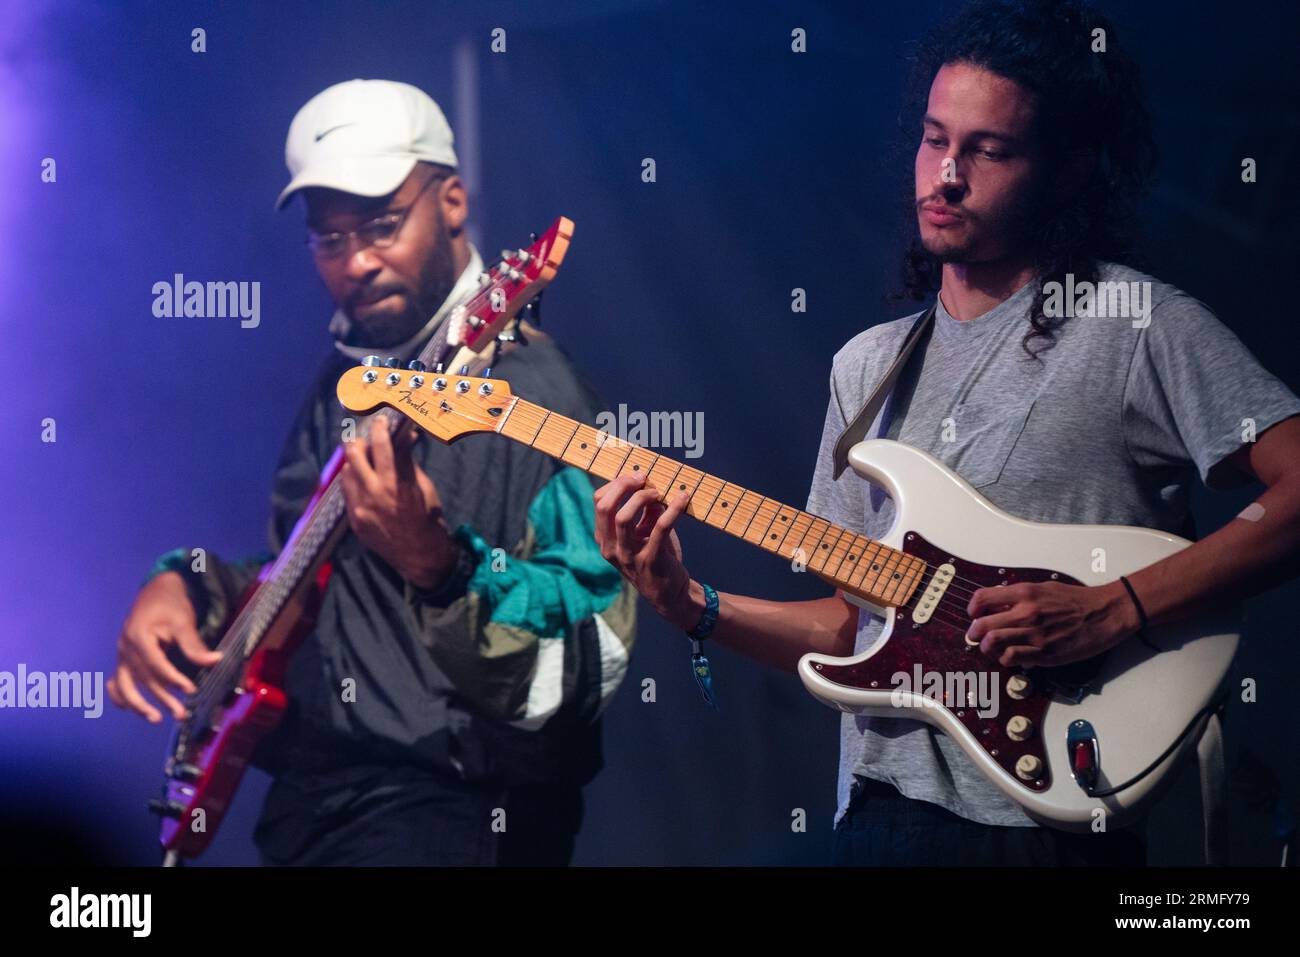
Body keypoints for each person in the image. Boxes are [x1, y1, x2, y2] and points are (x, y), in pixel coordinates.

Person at [592, 0, 1300, 866]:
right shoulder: (869, 366)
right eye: (935, 140)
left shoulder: (1137, 327)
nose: (947, 175)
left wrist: (1112, 609)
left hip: (1056, 827)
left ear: (1069, 170)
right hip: (884, 818)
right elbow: (855, 628)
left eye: (988, 150)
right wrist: (689, 604)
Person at [109, 79, 636, 866]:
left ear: (453, 202)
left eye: (384, 225)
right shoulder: (348, 376)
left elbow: (586, 661)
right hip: (310, 809)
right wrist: (188, 585)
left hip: (455, 819)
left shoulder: (539, 397)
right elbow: (305, 581)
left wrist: (440, 567)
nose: (357, 261)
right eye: (330, 239)